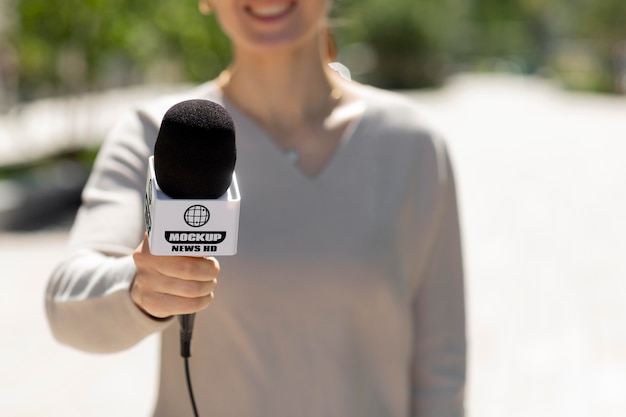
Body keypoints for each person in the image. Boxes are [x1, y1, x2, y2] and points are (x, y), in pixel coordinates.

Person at [45, 1, 467, 416]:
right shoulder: (157, 133)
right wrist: (140, 288)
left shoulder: (412, 145)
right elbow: (65, 305)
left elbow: (441, 363)